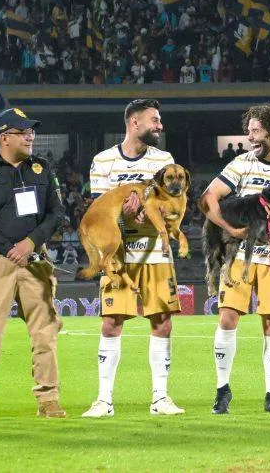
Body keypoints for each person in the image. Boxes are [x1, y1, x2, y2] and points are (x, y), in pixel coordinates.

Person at [201, 103, 270, 414]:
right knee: (227, 318)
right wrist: (229, 229)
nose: (250, 137)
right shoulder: (241, 164)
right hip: (239, 258)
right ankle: (222, 391)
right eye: (248, 130)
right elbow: (209, 197)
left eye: (256, 131)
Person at [0, 108, 68, 420]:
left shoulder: (42, 168)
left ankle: (49, 399)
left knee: (45, 333)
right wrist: (9, 249)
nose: (30, 137)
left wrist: (30, 243)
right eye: (23, 132)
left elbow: (57, 213)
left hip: (36, 259)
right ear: (4, 137)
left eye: (31, 132)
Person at [81, 99, 185, 418]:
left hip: (156, 254)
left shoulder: (164, 160)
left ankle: (160, 398)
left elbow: (171, 208)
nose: (160, 126)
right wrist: (126, 216)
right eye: (155, 120)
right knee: (111, 322)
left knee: (162, 321)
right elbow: (100, 214)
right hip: (118, 256)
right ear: (134, 122)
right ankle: (104, 400)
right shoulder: (103, 161)